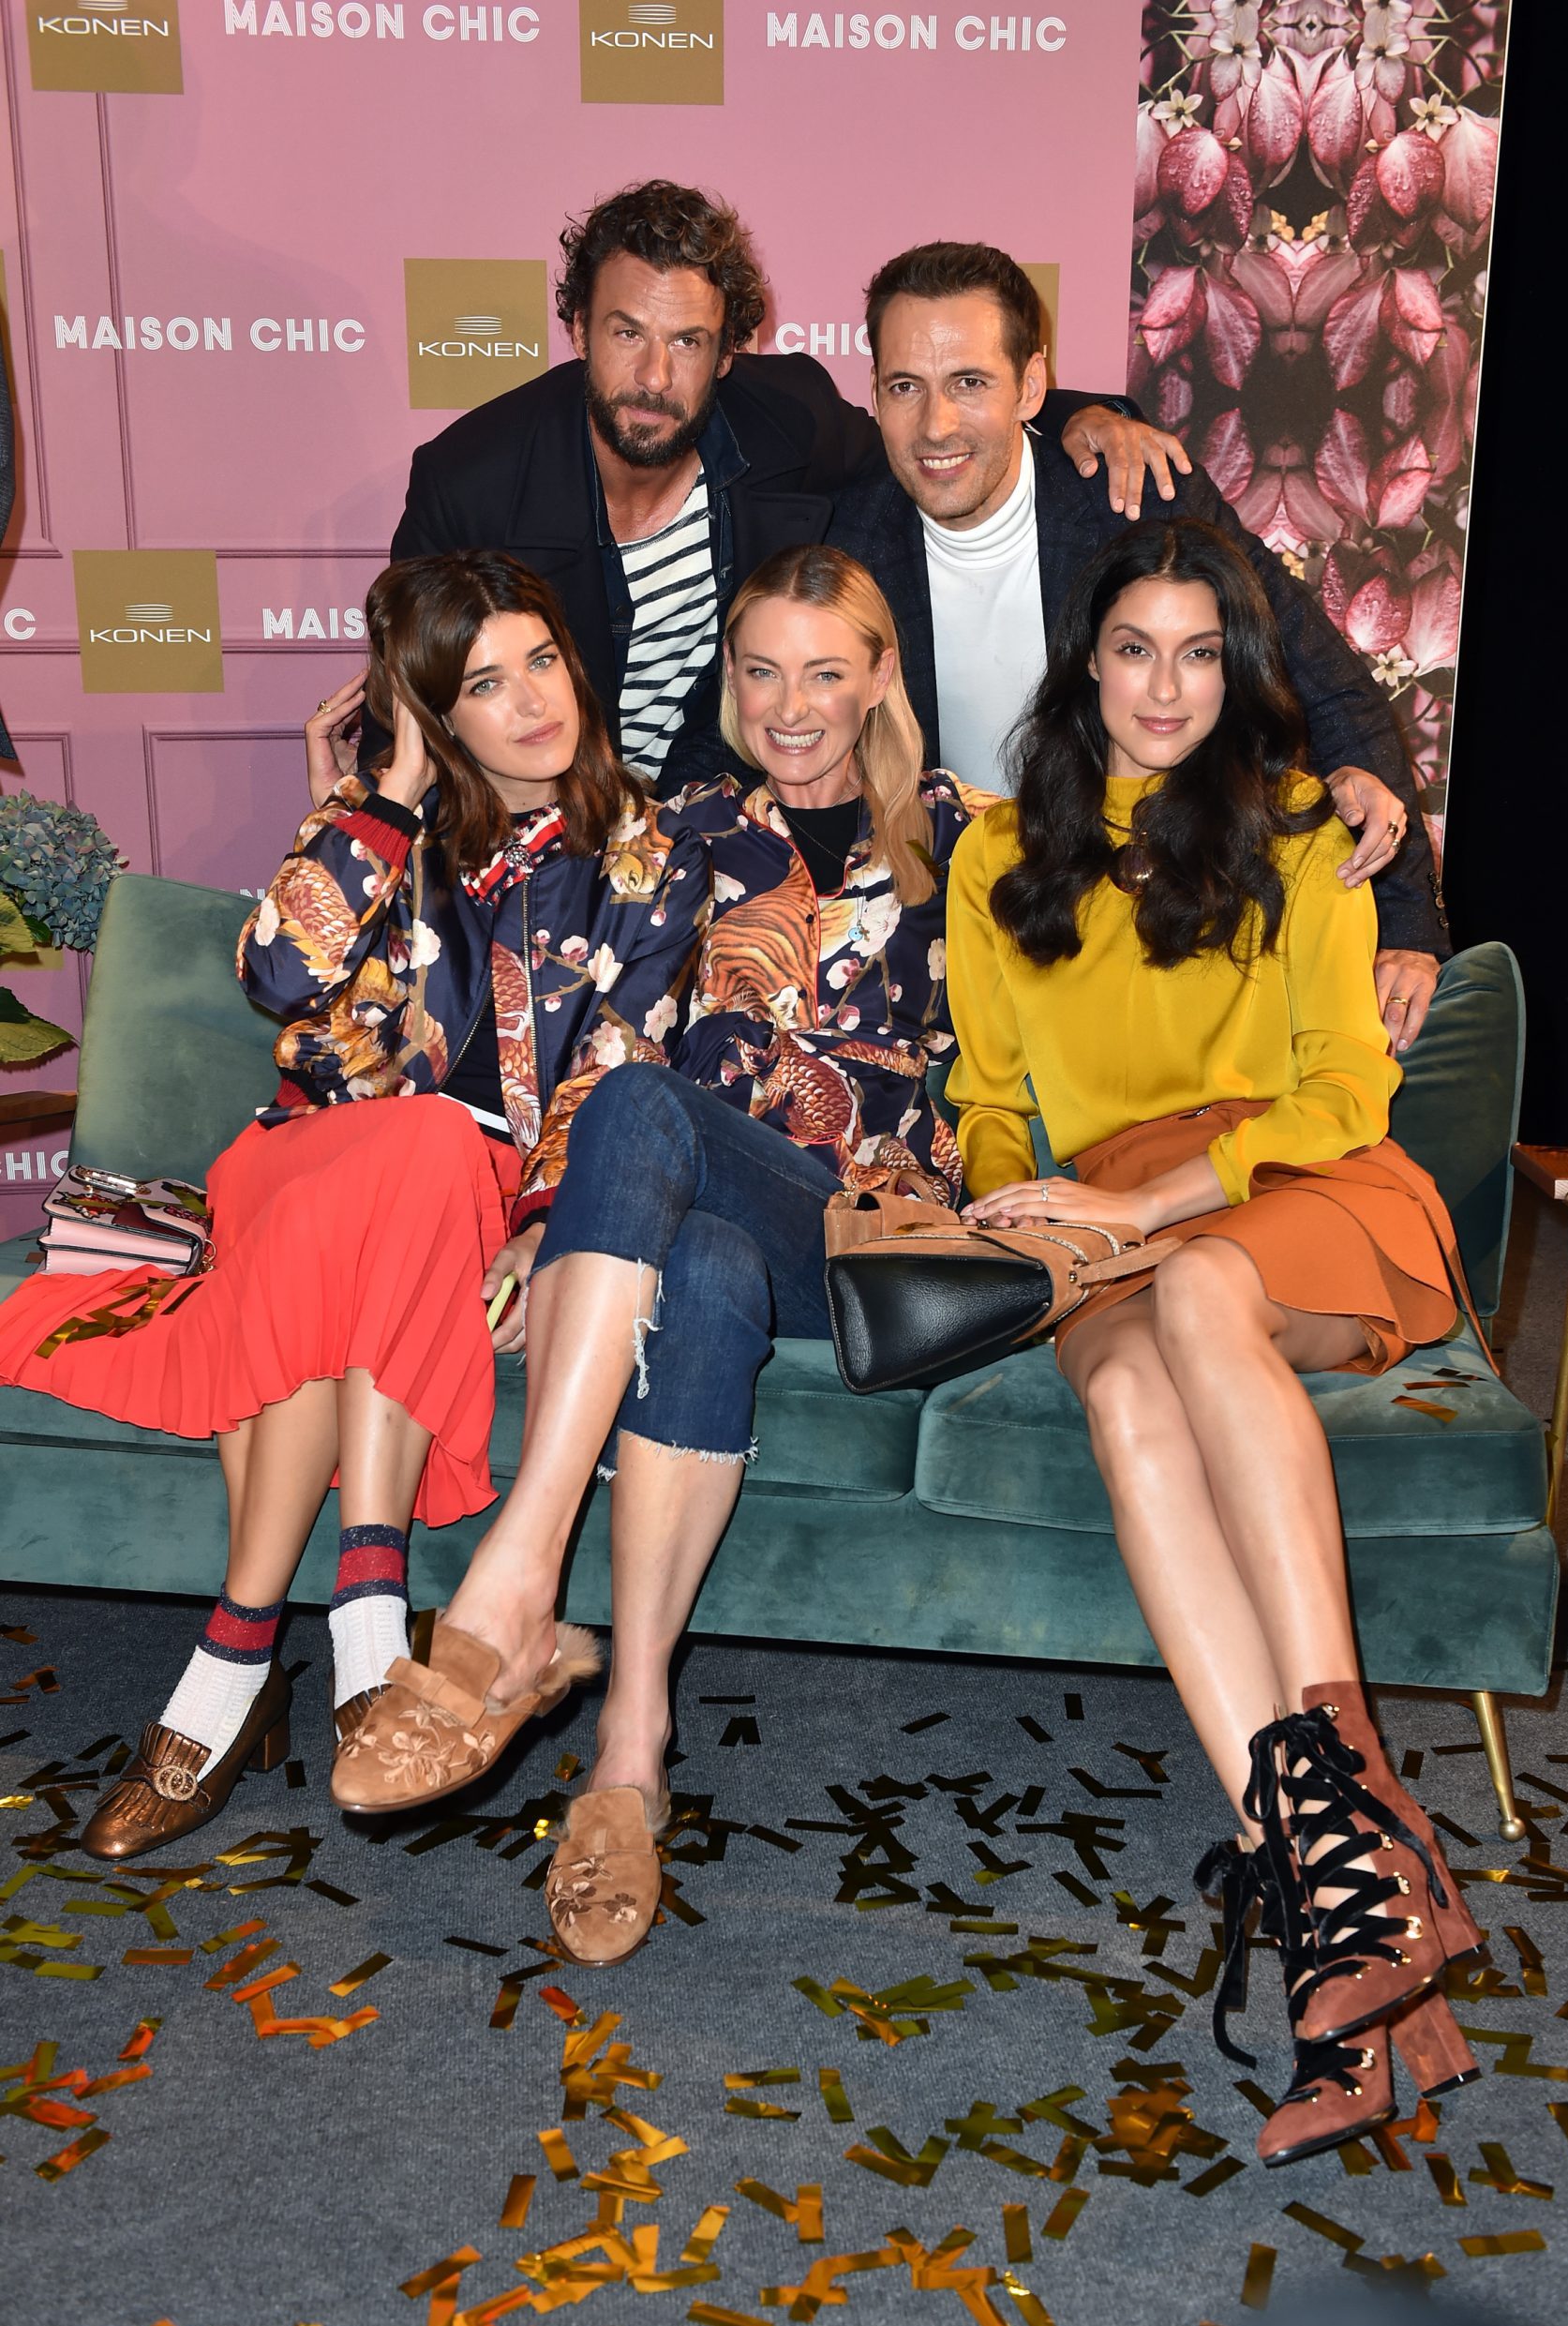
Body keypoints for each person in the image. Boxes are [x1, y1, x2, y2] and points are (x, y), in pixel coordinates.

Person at [333, 546, 986, 1968]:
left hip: (865, 1240)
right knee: (701, 1265)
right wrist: (539, 1225)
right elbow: (533, 990)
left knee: (645, 1108)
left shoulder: (970, 835)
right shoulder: (669, 830)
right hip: (705, 1220)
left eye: (827, 672)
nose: (791, 706)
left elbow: (1153, 873)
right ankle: (632, 1747)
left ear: (883, 677)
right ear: (728, 684)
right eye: (761, 672)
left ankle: (515, 1586)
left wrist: (1399, 898)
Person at [0, 551, 708, 1861]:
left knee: (420, 1162)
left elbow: (621, 1063)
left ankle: (232, 1660)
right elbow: (276, 978)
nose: (533, 702)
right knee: (405, 1153)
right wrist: (382, 798)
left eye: (543, 661)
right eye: (483, 685)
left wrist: (548, 1223)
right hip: (301, 1161)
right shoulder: (380, 825)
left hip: (463, 1195)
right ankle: (365, 1624)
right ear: (434, 712)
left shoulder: (650, 855)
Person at [945, 516, 1482, 2167]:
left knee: (1190, 1295)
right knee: (1122, 1395)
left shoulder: (1304, 833)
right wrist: (1019, 1210)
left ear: (1239, 672)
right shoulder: (994, 857)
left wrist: (1146, 1212)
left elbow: (1339, 1090)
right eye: (1132, 650)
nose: (1163, 687)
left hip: (1294, 1186)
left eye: (1198, 654)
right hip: (1105, 1221)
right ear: (1085, 665)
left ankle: (1353, 1813)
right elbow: (986, 1098)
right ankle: (1344, 1922)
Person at [829, 241, 1449, 1055]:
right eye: (905, 386)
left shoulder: (1134, 501)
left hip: (1153, 913)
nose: (936, 425)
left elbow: (1326, 680)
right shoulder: (851, 538)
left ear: (1031, 387)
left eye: (970, 383)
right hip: (954, 933)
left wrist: (1406, 926)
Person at [391, 183, 1180, 800]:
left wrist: (1086, 417)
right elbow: (407, 715)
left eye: (688, 342)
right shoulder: (469, 484)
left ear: (727, 355)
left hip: (709, 816)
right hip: (541, 828)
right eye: (627, 333)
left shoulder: (786, 421)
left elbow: (932, 437)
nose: (655, 376)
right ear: (576, 332)